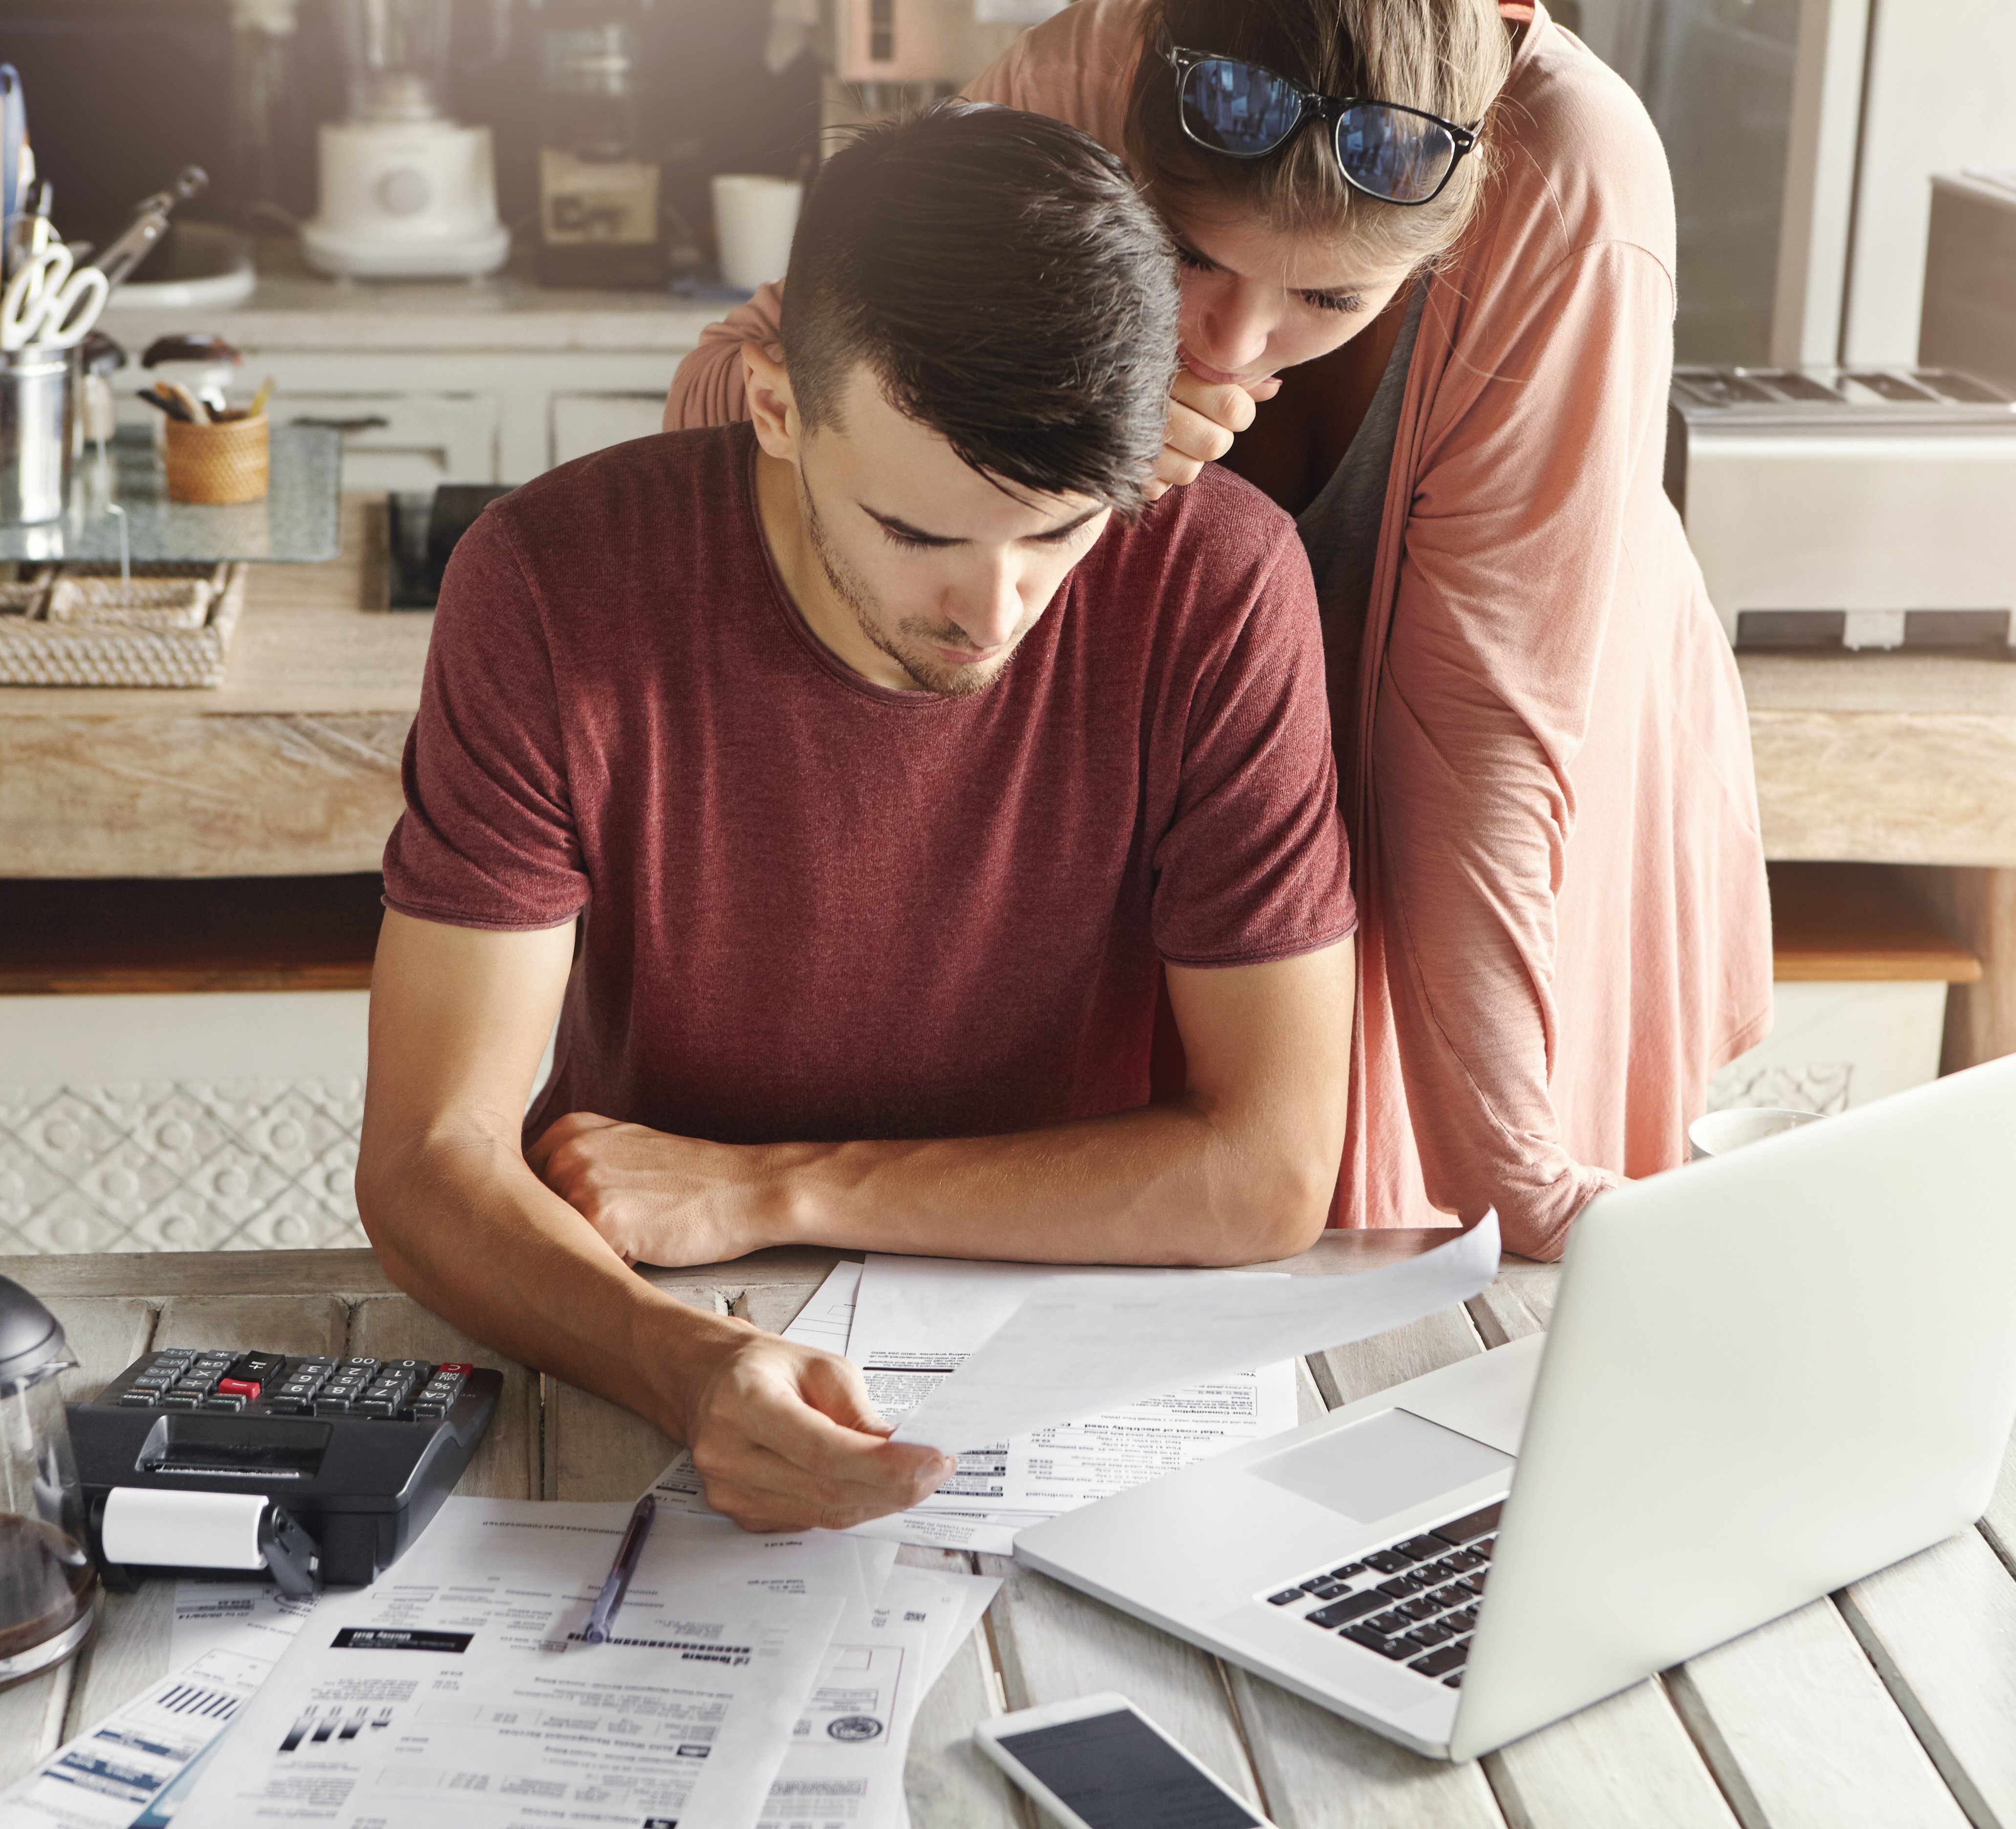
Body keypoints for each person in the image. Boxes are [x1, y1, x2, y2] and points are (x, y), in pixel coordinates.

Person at [359, 104, 1359, 1531]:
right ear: (775, 405)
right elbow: (424, 1160)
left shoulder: (1223, 585)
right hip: (658, 1318)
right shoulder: (549, 584)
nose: (994, 613)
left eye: (1061, 531)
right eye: (918, 534)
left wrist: (772, 1189)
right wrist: (690, 1369)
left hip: (1071, 1360)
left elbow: (1266, 1177)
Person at [668, 0, 1774, 1262]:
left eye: (1332, 293)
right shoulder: (1088, 70)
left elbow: (1482, 734)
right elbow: (740, 393)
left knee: (1472, 1277)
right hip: (1217, 824)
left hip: (1521, 794)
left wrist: (1516, 1167)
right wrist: (1075, 404)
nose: (1237, 342)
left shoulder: (1568, 171)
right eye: (1187, 252)